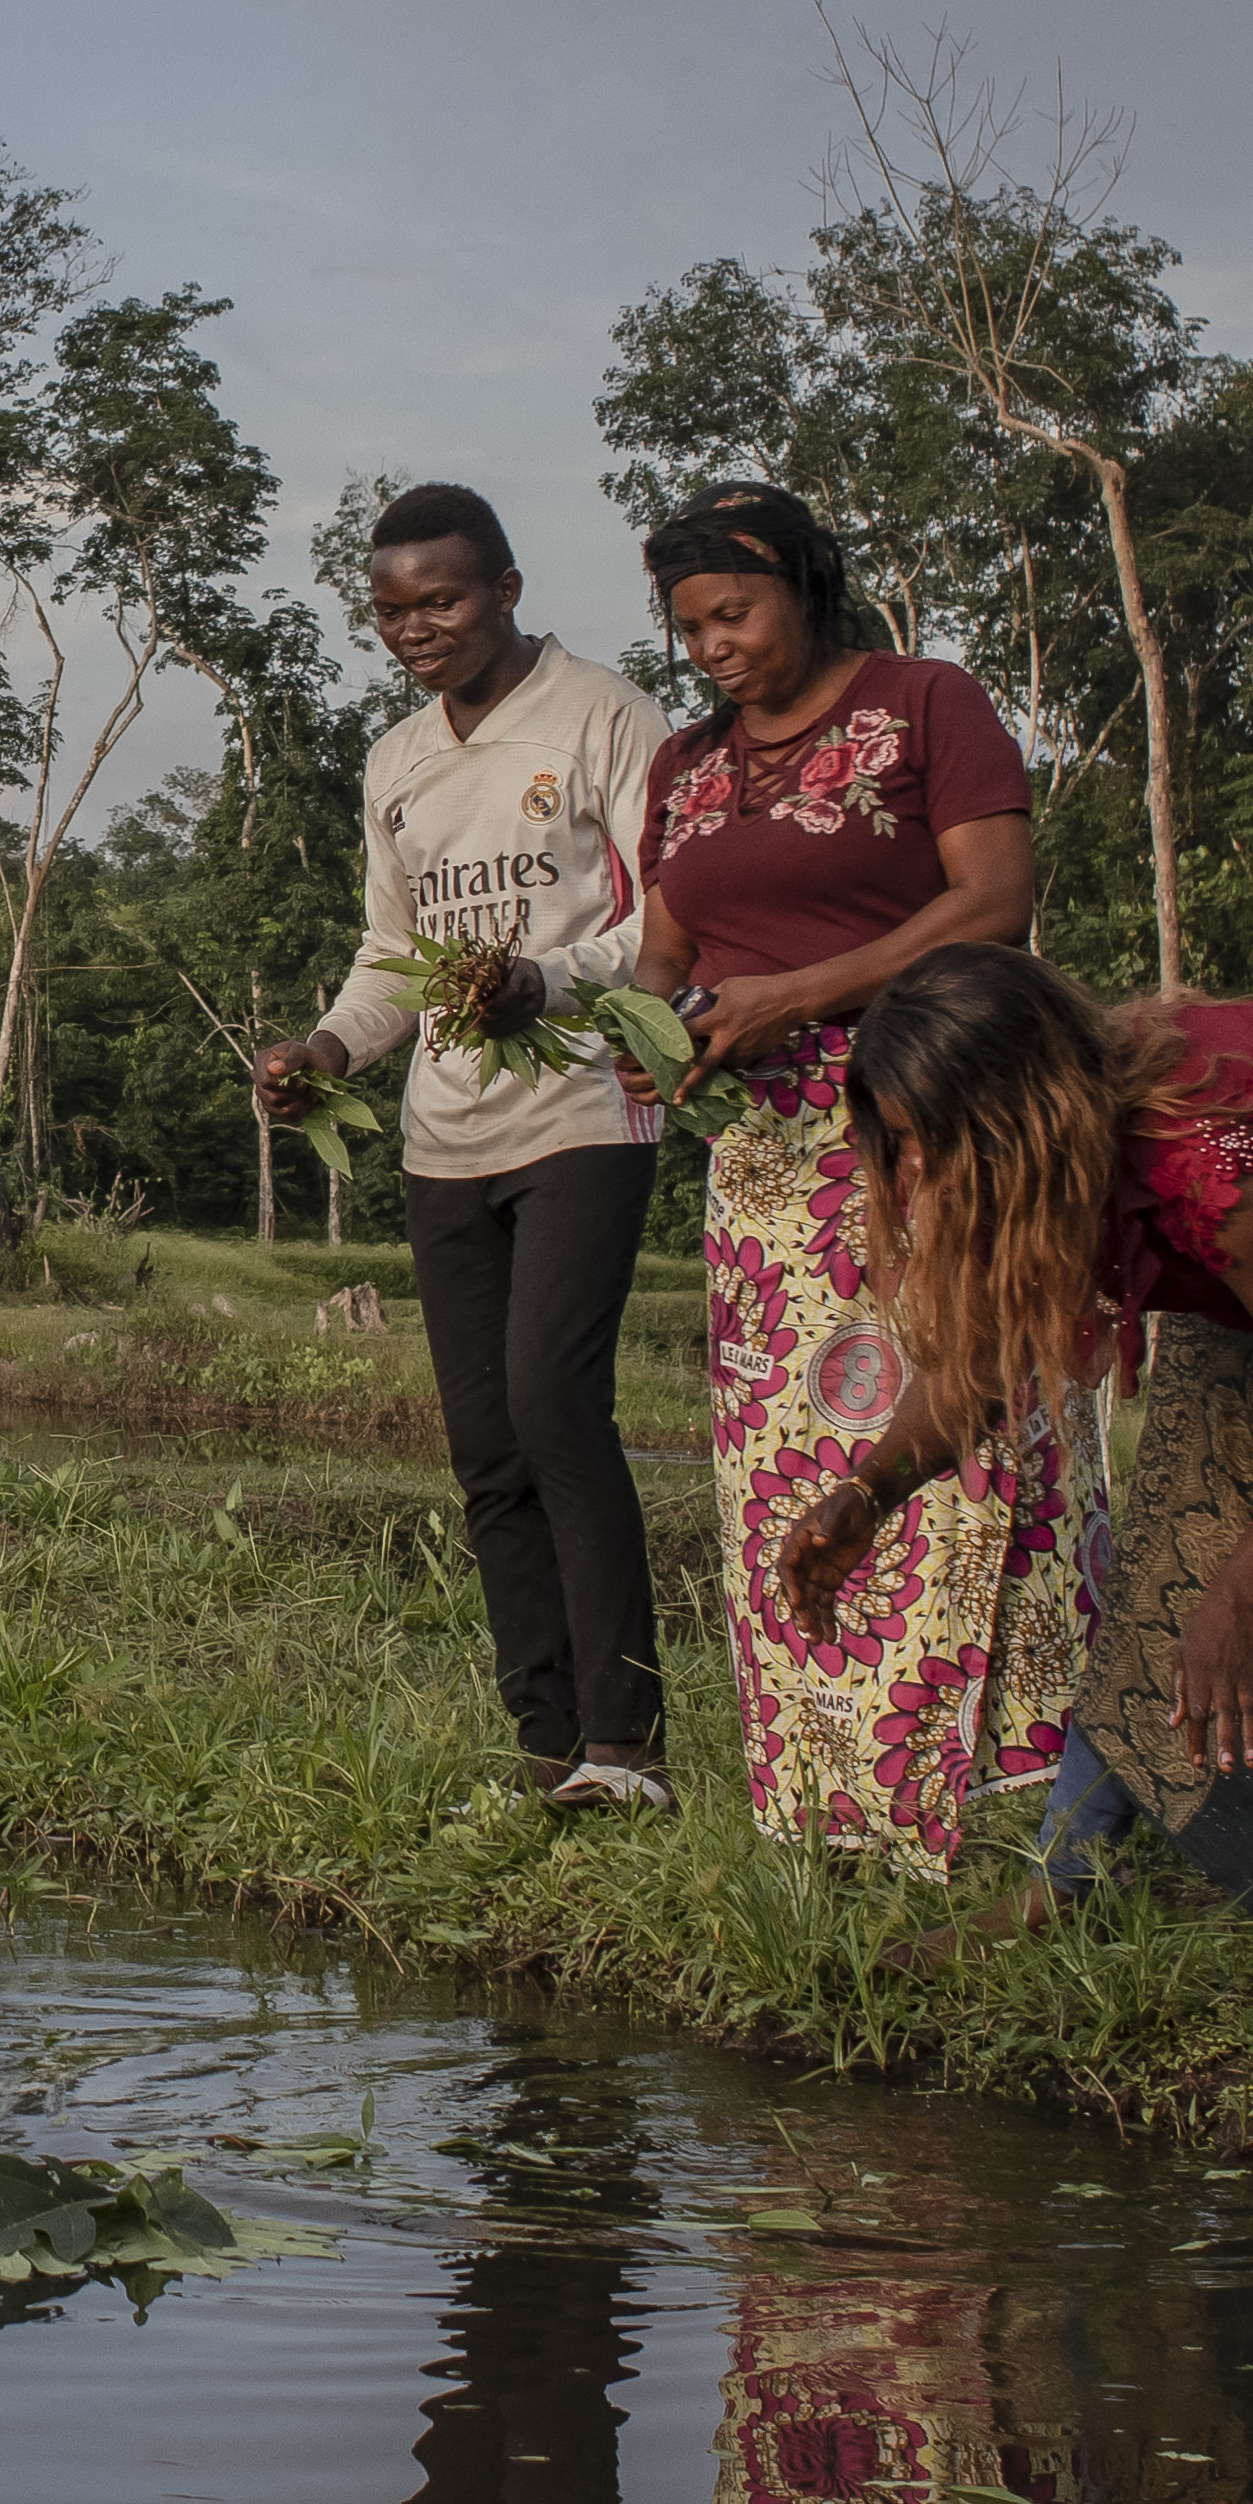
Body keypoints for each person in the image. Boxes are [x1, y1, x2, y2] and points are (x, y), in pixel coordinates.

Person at [784, 948, 1253, 1981]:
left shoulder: (1209, 1159)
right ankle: (1064, 1884)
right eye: (896, 1142)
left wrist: (1241, 1598)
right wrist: (867, 1491)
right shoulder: (1030, 1177)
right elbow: (977, 1364)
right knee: (1175, 1542)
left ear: (1017, 1119)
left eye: (922, 1141)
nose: (908, 1171)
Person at [620, 482, 1055, 1871]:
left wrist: (799, 992)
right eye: (689, 626)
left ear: (804, 582)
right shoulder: (686, 765)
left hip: (930, 1122)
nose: (712, 646)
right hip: (762, 1178)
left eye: (732, 611)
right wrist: (645, 1042)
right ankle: (829, 1808)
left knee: (954, 1430)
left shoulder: (926, 704)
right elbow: (663, 956)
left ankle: (998, 1810)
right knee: (784, 1464)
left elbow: (993, 901)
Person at [255, 485, 677, 1808]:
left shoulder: (606, 715)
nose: (416, 627)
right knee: (487, 1443)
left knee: (559, 1405)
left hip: (584, 1109)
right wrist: (328, 1050)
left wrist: (541, 985)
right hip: (444, 1134)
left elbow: (671, 920)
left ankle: (627, 1748)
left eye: (440, 598)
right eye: (390, 608)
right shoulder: (396, 763)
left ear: (504, 583)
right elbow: (395, 951)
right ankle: (545, 1744)